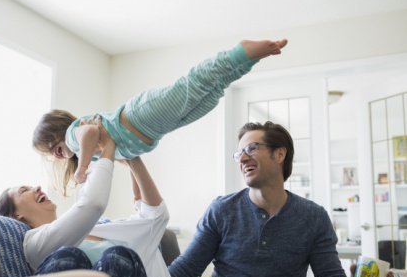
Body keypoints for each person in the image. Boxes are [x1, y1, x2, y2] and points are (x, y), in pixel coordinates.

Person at [0, 117, 288, 277]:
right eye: (23, 190)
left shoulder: (101, 229)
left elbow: (154, 216)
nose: (36, 187)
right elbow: (92, 203)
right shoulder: (35, 243)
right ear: (15, 215)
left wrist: (130, 156)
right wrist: (107, 148)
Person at [168, 121, 392, 277]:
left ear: (280, 154)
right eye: (239, 154)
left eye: (251, 149)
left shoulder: (313, 216)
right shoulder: (222, 210)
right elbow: (185, 269)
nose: (243, 159)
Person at [32, 39, 287, 196]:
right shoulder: (95, 149)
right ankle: (246, 63)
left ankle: (239, 53)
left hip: (140, 116)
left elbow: (88, 134)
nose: (58, 157)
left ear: (56, 138)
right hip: (155, 128)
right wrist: (136, 193)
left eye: (53, 151)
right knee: (209, 97)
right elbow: (129, 161)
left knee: (192, 86)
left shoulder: (75, 137)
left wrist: (83, 168)